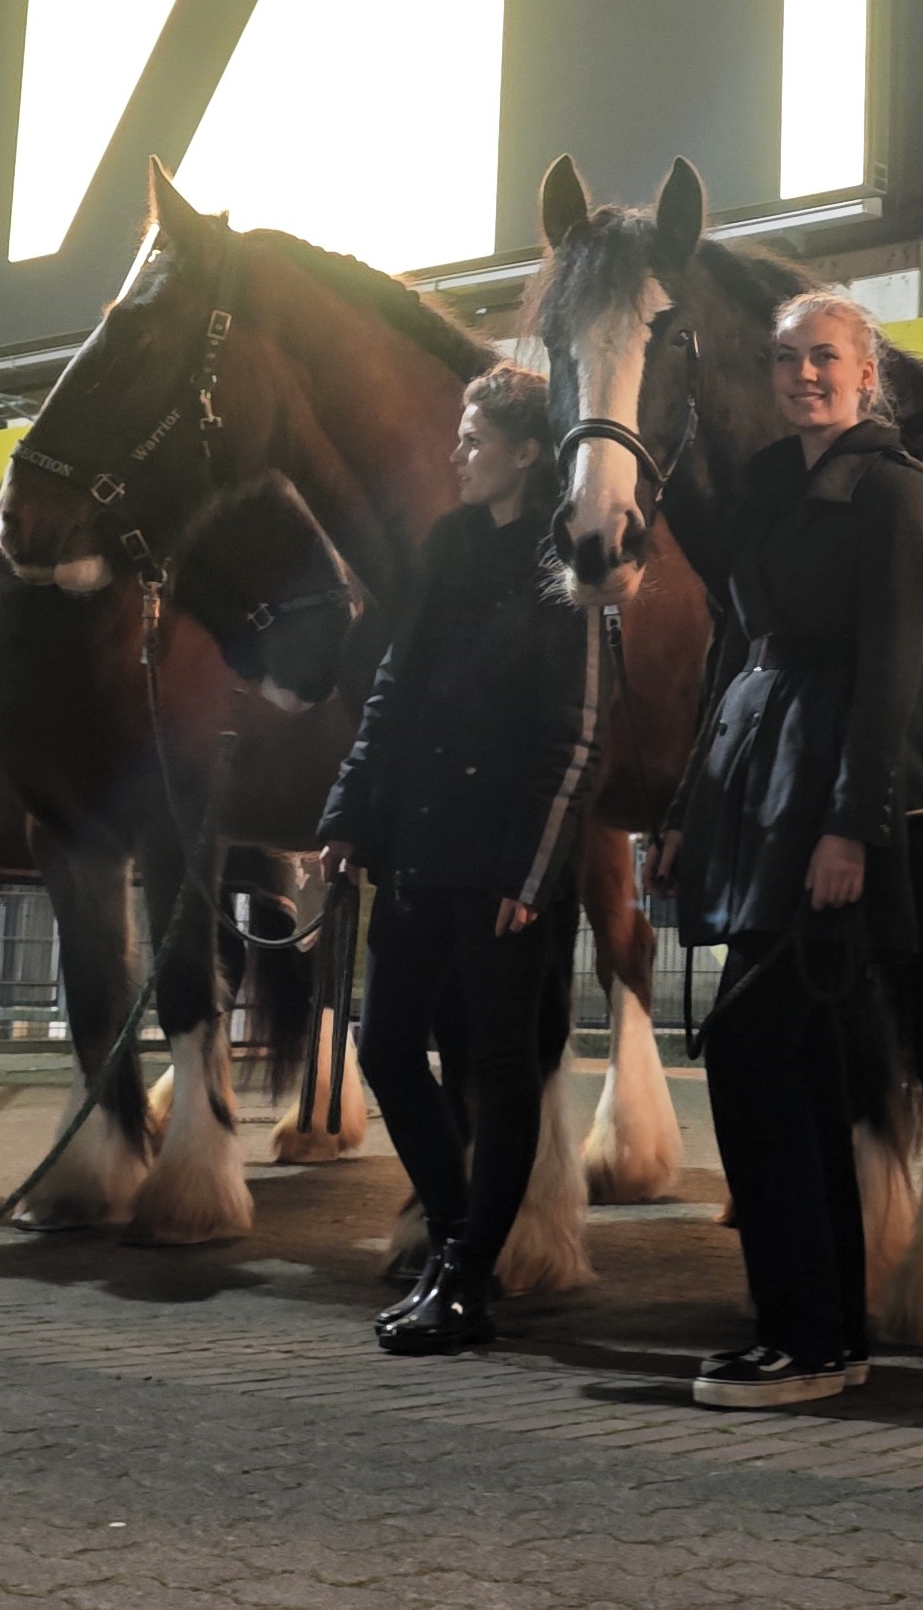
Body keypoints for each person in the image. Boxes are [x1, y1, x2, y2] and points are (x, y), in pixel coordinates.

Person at [658, 292, 923, 1411]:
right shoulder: (771, 486)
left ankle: (804, 1334)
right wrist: (684, 806)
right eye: (785, 358)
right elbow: (731, 645)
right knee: (804, 1076)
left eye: (823, 357)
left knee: (750, 1054)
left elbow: (892, 676)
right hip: (750, 788)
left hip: (818, 798)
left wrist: (851, 826)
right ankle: (822, 1334)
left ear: (865, 374)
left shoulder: (892, 494)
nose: (802, 375)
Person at [319, 366, 609, 1354]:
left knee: (497, 1065)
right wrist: (349, 811)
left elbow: (575, 735)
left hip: (500, 870)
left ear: (527, 453)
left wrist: (528, 876)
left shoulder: (567, 555)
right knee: (386, 1048)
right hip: (417, 847)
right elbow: (391, 693)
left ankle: (468, 1278)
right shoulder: (444, 547)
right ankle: (455, 1242)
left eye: (474, 439)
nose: (457, 453)